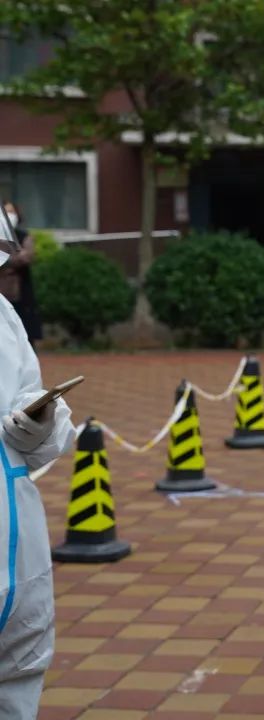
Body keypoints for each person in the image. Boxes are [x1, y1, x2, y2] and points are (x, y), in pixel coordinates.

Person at [0, 211, 76, 719]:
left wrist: (37, 419)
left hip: (16, 533)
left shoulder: (4, 319)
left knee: (19, 672)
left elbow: (31, 403)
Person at [0, 203, 41, 346]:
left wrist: (7, 259)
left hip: (19, 294)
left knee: (24, 334)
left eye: (12, 212)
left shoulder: (23, 236)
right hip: (1, 294)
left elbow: (27, 257)